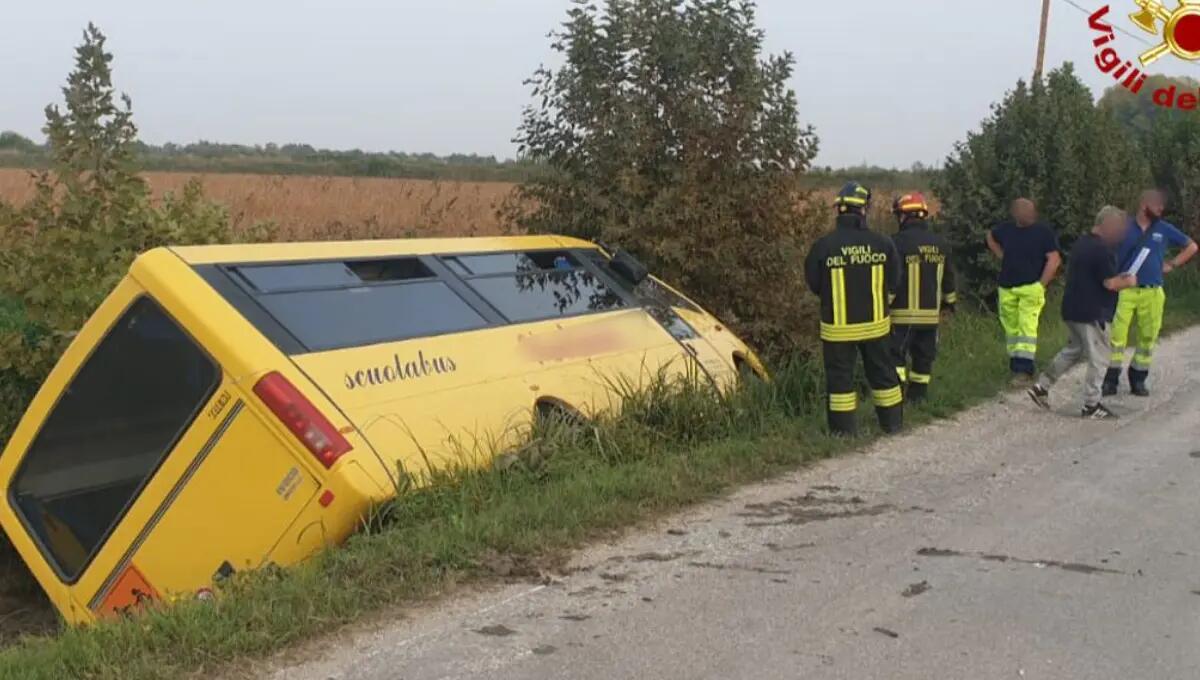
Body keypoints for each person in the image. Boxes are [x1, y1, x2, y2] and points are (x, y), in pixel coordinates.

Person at [804, 182, 903, 435]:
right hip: (876, 326)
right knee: (883, 375)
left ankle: (843, 433)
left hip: (838, 328)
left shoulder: (823, 246)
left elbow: (815, 284)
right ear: (863, 210)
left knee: (840, 381)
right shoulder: (883, 243)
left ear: (839, 211)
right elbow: (894, 281)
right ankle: (892, 425)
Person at [1026, 206, 1137, 419]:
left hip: (1072, 309)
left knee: (1072, 351)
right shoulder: (1101, 249)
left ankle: (1042, 386)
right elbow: (1109, 283)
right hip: (1093, 312)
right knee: (1100, 358)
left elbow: (1094, 275)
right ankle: (1091, 405)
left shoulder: (1082, 243)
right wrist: (1130, 281)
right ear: (1108, 224)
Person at [1102, 189, 1198, 397]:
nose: (1161, 208)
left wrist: (1173, 263)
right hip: (1125, 290)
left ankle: (1138, 377)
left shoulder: (1163, 229)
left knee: (1148, 337)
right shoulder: (1124, 226)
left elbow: (1191, 246)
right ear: (1144, 204)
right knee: (1116, 337)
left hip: (1152, 290)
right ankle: (1110, 379)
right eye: (1157, 204)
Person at [889, 192, 956, 403]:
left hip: (901, 317)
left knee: (895, 358)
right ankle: (917, 400)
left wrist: (883, 305)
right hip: (930, 318)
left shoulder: (895, 243)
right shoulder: (940, 244)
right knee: (923, 360)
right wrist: (949, 305)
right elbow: (949, 280)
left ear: (903, 216)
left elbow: (890, 280)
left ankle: (896, 396)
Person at [986, 198, 1062, 383]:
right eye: (1020, 211)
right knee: (1011, 329)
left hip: (1031, 287)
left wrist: (1041, 284)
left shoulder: (1043, 233)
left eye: (1027, 210)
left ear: (1034, 212)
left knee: (1026, 327)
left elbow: (1054, 259)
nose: (1024, 214)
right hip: (1007, 287)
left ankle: (1024, 370)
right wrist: (1000, 255)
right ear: (1014, 213)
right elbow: (990, 236)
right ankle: (1016, 364)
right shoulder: (1006, 229)